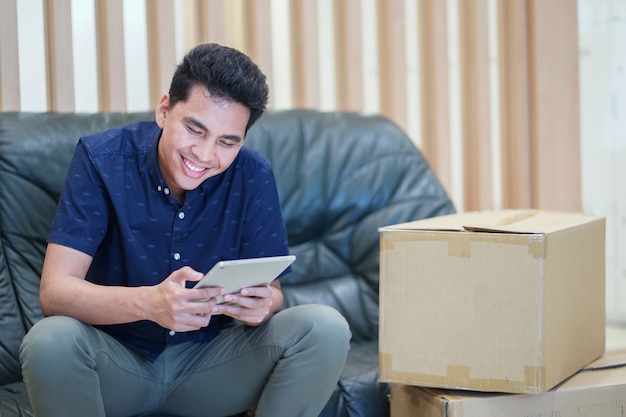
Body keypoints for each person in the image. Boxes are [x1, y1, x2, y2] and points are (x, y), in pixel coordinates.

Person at [20, 43, 351, 417]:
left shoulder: (253, 174)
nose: (206, 155)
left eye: (228, 142)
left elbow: (273, 294)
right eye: (195, 129)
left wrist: (261, 306)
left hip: (210, 367)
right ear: (165, 110)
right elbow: (55, 292)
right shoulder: (102, 160)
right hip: (115, 366)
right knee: (49, 340)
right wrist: (150, 304)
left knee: (325, 327)